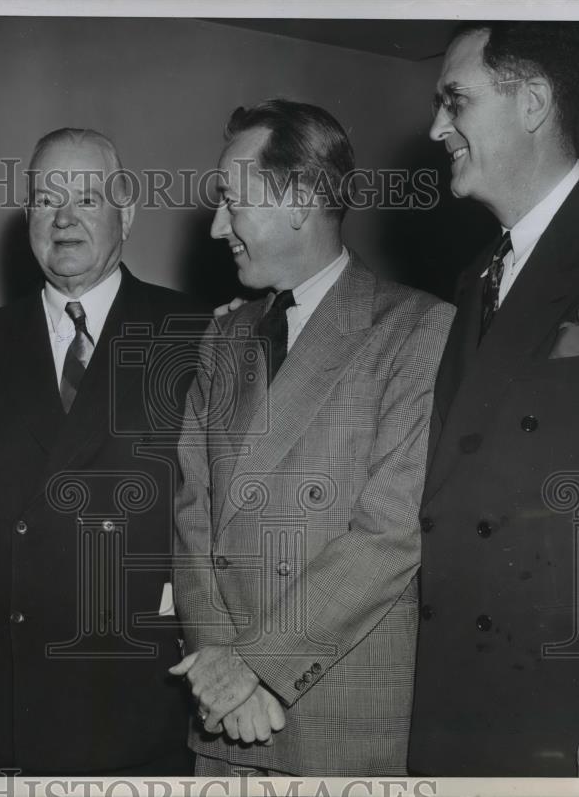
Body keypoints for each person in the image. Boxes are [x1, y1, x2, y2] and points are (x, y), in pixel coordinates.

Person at [408, 21, 579, 777]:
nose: (435, 128)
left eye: (455, 101)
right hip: (462, 690)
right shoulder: (475, 276)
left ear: (533, 103)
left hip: (575, 701)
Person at [171, 99, 454, 776]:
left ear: (298, 201)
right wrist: (221, 670)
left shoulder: (416, 329)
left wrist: (257, 667)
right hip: (225, 724)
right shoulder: (224, 336)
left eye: (231, 203)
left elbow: (389, 533)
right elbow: (193, 520)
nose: (216, 228)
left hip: (338, 726)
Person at [0, 128, 205, 775]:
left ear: (128, 213)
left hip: (143, 698)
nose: (62, 219)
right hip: (14, 701)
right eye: (44, 199)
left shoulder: (196, 335)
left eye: (86, 198)